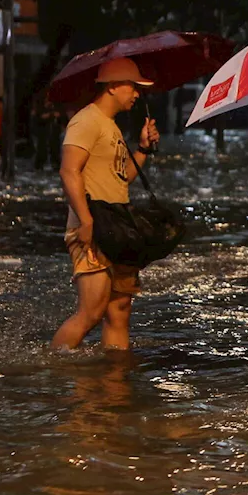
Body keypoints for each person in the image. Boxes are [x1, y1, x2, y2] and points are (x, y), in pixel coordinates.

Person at [52, 58, 160, 351]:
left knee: (119, 310)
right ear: (112, 87)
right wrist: (85, 221)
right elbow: (69, 170)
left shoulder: (110, 127)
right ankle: (52, 370)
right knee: (91, 311)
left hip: (118, 227)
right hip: (93, 226)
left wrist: (142, 149)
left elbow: (121, 177)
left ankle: (115, 385)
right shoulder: (86, 120)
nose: (137, 93)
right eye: (133, 86)